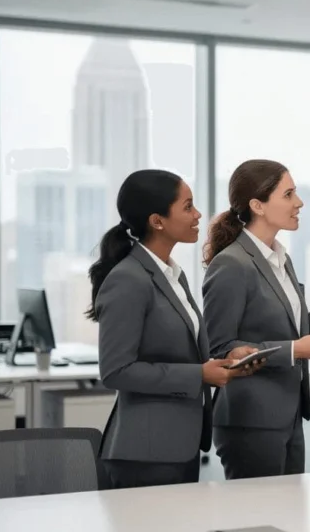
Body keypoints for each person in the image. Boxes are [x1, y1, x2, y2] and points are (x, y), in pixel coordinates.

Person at [87, 169, 265, 489]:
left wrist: (227, 354)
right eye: (187, 207)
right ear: (157, 221)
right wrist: (199, 375)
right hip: (145, 452)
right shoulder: (129, 279)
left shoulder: (172, 275)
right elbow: (116, 371)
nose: (198, 215)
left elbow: (181, 347)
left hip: (179, 445)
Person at [202, 159, 310, 479]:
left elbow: (300, 330)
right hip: (250, 419)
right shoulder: (232, 264)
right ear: (257, 205)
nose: (299, 203)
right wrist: (293, 351)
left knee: (288, 518)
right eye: (288, 195)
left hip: (287, 416)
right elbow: (220, 348)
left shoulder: (280, 257)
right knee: (257, 519)